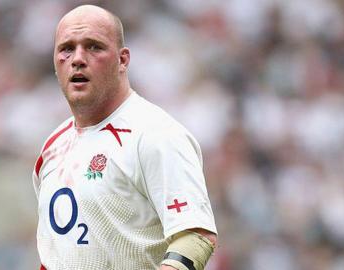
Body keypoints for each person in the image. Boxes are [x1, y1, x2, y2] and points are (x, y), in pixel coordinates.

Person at [32, 4, 217, 270]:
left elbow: (195, 237)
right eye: (67, 48)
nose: (78, 59)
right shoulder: (52, 146)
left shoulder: (156, 134)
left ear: (123, 60)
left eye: (94, 47)